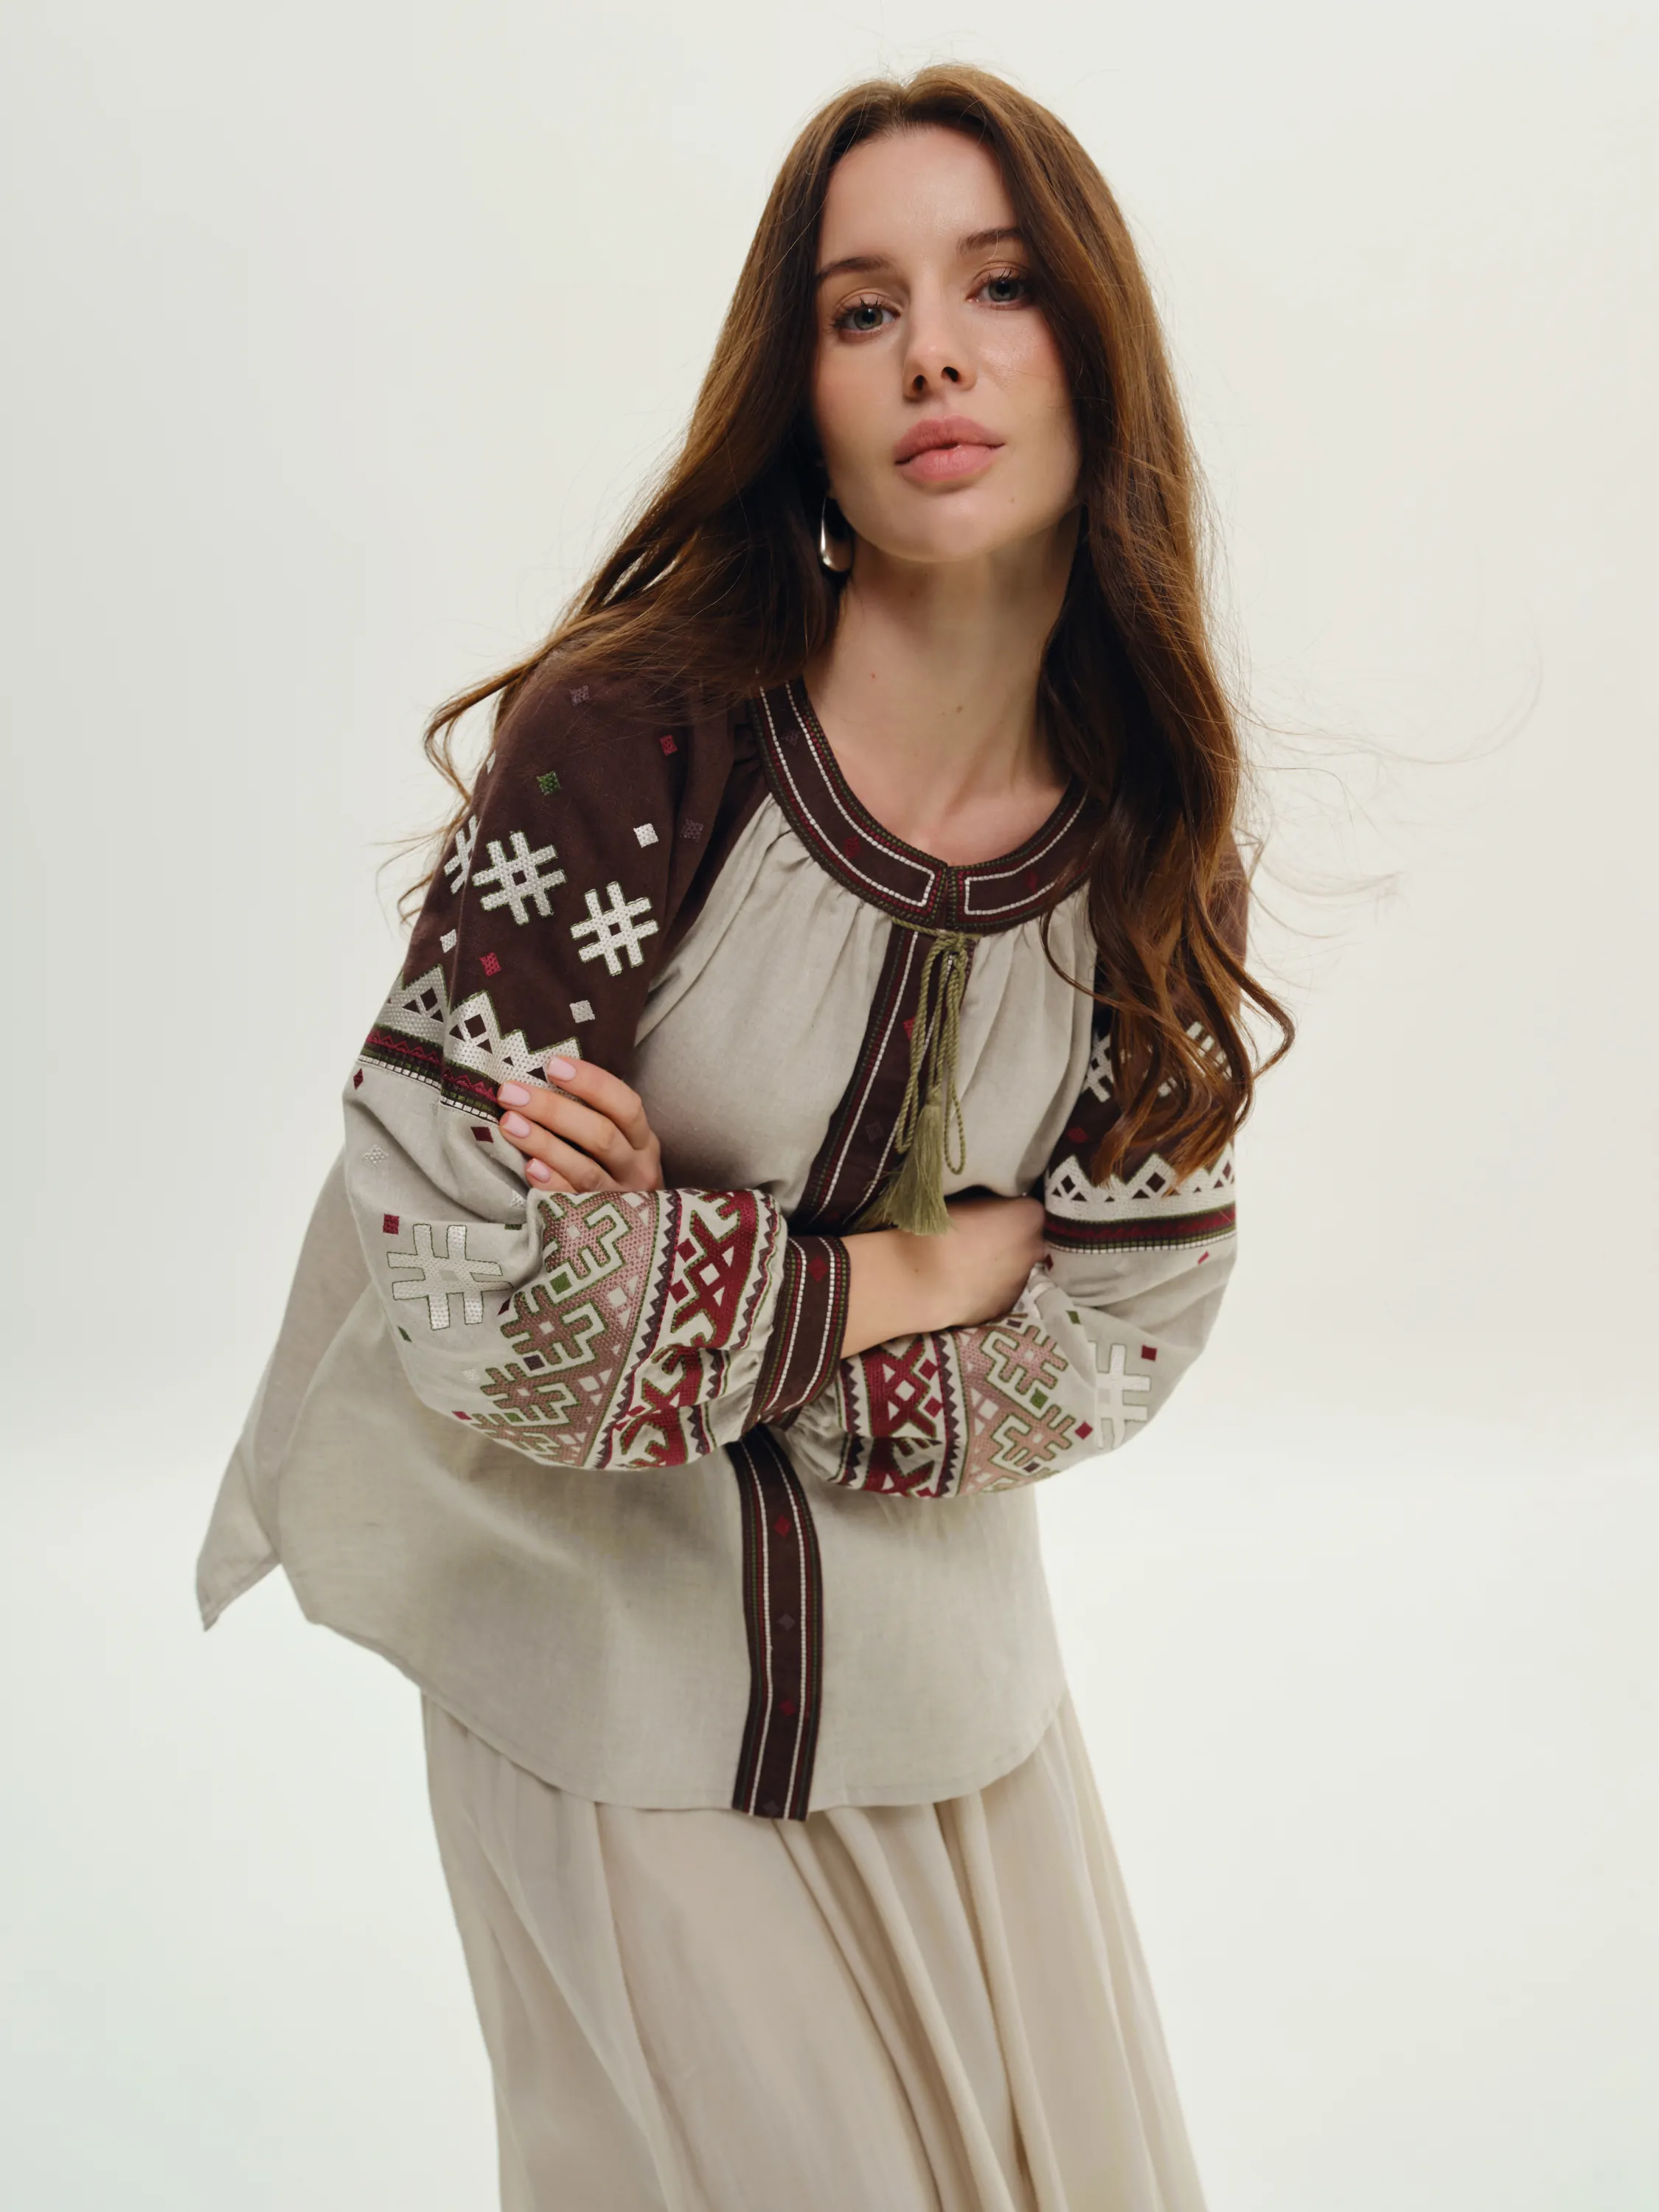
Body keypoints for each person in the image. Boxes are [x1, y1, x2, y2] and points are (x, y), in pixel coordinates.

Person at [197, 63, 1290, 2212]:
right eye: (863, 309)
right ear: (806, 396)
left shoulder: (1152, 842)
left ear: (1098, 353)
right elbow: (471, 1292)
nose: (935, 352)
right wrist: (927, 1270)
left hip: (952, 1712)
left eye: (998, 287)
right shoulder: (636, 740)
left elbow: (1129, 1321)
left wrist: (690, 1300)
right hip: (592, 1677)